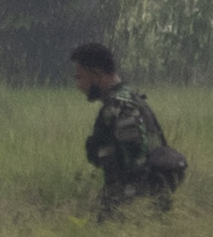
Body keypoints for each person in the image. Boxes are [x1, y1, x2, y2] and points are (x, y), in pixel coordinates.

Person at [73, 40, 183, 218]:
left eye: (80, 77)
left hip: (135, 201)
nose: (78, 86)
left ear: (96, 73)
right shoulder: (129, 97)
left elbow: (135, 161)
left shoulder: (119, 106)